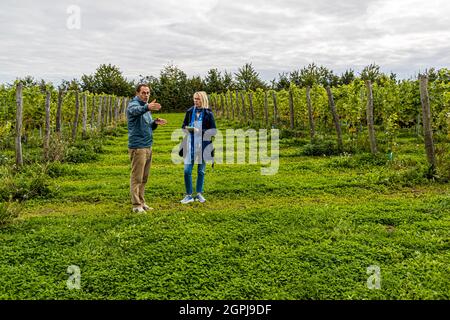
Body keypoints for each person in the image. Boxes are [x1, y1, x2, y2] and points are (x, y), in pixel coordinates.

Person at [127, 84, 167, 213]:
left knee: (144, 178)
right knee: (136, 177)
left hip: (148, 145)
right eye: (143, 93)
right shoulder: (133, 105)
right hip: (138, 147)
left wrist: (154, 123)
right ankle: (136, 205)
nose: (146, 95)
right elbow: (135, 111)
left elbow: (148, 126)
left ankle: (142, 202)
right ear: (137, 93)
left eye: (148, 93)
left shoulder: (146, 108)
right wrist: (147, 107)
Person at [180, 91, 216, 204]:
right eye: (194, 99)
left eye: (198, 99)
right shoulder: (190, 112)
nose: (196, 101)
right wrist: (188, 129)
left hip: (203, 145)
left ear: (203, 99)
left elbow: (213, 131)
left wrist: (199, 131)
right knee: (187, 171)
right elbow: (183, 126)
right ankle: (189, 195)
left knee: (201, 171)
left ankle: (199, 194)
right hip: (190, 144)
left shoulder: (208, 113)